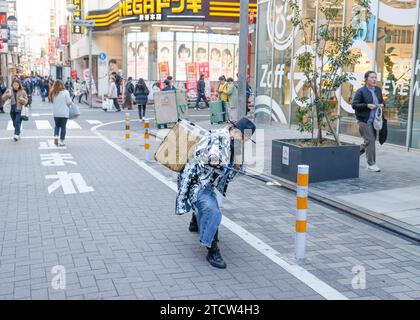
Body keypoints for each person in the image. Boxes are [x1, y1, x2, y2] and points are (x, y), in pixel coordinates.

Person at [176, 118, 256, 269]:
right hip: (198, 184)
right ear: (236, 131)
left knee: (213, 206)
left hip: (213, 185)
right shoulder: (219, 137)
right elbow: (213, 152)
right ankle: (212, 249)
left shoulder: (236, 145)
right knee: (213, 211)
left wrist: (238, 165)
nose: (245, 141)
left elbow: (230, 173)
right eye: (245, 138)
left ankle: (195, 220)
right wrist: (214, 160)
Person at [352, 70, 385, 172]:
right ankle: (371, 164)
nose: (374, 79)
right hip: (364, 120)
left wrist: (383, 104)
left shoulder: (378, 90)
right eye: (371, 77)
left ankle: (352, 153)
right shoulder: (361, 91)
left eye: (375, 77)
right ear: (366, 80)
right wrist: (367, 105)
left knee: (368, 141)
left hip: (374, 121)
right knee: (370, 140)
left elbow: (382, 101)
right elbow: (354, 105)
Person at [49, 80, 72, 147]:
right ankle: (62, 141)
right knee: (63, 127)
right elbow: (69, 102)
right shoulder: (66, 92)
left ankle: (56, 138)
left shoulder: (53, 92)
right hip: (64, 113)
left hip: (56, 113)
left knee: (57, 126)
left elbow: (52, 102)